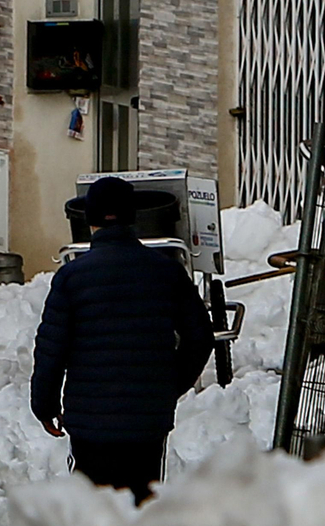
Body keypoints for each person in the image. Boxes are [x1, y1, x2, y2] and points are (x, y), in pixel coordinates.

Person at [30, 176, 215, 504]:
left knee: (95, 512)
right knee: (141, 509)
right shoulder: (166, 272)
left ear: (89, 220)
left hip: (90, 425)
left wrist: (45, 406)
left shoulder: (72, 277)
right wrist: (169, 386)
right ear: (132, 218)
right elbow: (200, 337)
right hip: (147, 424)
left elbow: (50, 351)